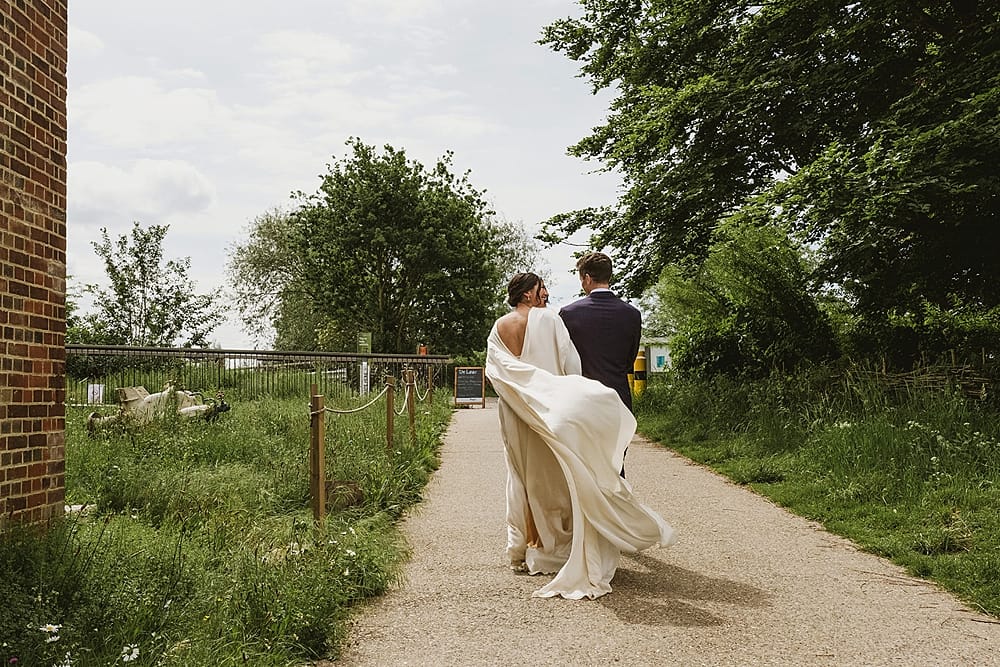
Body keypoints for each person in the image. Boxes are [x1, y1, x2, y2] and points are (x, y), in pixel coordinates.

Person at [486, 272, 675, 600]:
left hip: (515, 411)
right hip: (551, 409)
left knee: (522, 476)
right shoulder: (549, 320)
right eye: (540, 288)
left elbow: (495, 372)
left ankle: (525, 548)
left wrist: (522, 393)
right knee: (557, 477)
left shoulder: (500, 326)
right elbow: (570, 365)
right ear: (528, 294)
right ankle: (559, 546)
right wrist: (572, 396)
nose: (545, 293)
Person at [559, 252, 642, 413]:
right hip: (619, 397)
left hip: (582, 398)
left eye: (582, 280)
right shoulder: (632, 313)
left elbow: (563, 356)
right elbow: (630, 358)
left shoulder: (569, 314)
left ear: (587, 278)